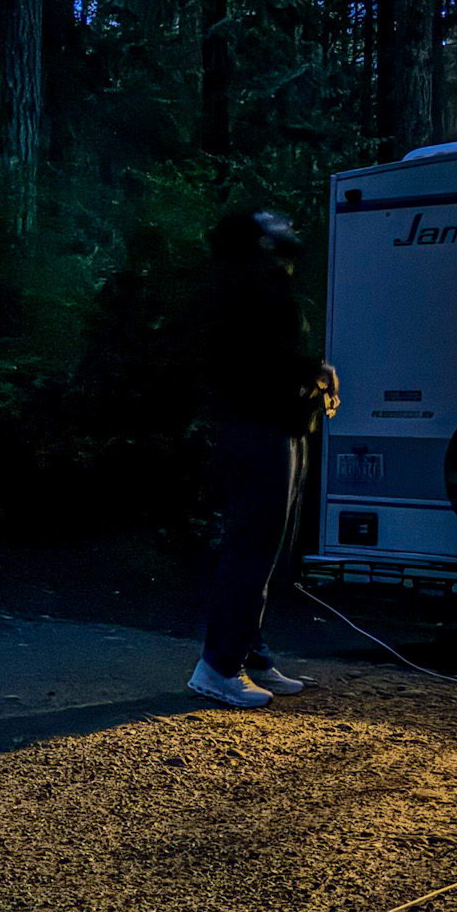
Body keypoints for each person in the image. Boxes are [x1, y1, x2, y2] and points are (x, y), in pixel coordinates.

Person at [188, 209, 339, 709]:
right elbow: (254, 356)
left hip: (273, 424)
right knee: (254, 546)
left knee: (268, 548)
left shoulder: (254, 278)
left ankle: (248, 657)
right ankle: (218, 666)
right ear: (260, 239)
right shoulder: (249, 280)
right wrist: (312, 368)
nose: (289, 224)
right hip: (259, 427)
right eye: (274, 222)